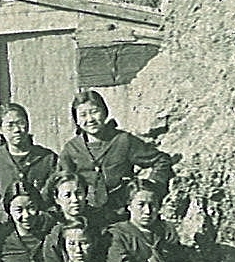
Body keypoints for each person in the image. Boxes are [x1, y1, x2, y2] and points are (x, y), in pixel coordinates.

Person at [58, 89, 173, 220]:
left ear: (105, 113)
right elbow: (62, 181)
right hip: (88, 215)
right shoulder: (71, 149)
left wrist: (152, 187)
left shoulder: (123, 140)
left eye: (94, 112)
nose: (90, 119)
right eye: (83, 115)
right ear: (77, 121)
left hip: (122, 213)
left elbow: (161, 160)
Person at [0, 103, 60, 220]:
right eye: (10, 125)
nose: (17, 130)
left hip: (40, 221)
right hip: (4, 224)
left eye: (21, 123)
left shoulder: (47, 158)